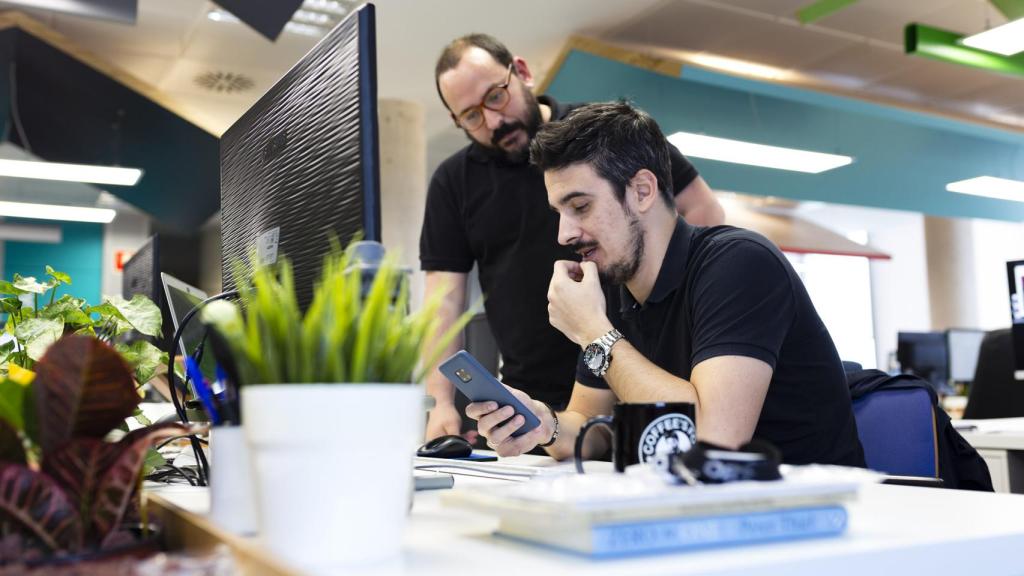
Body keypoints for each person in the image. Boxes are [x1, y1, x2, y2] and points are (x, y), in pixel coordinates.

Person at [466, 101, 865, 467]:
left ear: (642, 190)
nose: (564, 234)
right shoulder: (615, 287)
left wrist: (593, 332)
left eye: (581, 207)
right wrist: (544, 424)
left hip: (815, 518)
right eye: (559, 212)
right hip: (706, 511)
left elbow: (712, 439)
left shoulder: (740, 264)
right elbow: (589, 426)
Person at [420, 34, 724, 441]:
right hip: (542, 395)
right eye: (471, 117)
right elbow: (444, 298)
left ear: (522, 73)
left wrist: (681, 320)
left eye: (495, 97)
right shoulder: (453, 182)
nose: (493, 121)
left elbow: (702, 210)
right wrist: (440, 400)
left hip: (642, 367)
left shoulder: (600, 138)